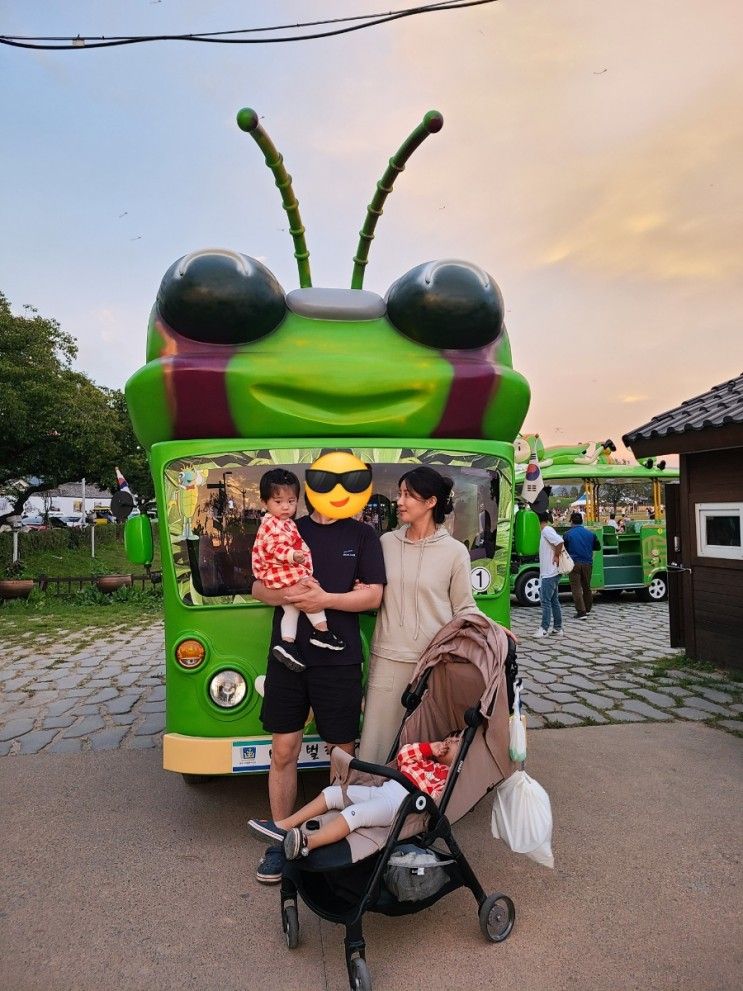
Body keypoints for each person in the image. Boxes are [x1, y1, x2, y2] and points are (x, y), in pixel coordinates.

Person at [249, 473, 386, 884]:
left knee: (340, 752)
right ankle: (281, 836)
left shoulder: (363, 535)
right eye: (325, 486)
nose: (334, 494)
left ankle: (328, 842)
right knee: (283, 749)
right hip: (287, 656)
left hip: (340, 659)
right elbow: (257, 586)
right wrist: (287, 595)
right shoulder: (287, 527)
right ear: (311, 492)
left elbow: (374, 596)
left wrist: (324, 599)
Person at [358, 466, 476, 765]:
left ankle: (412, 809)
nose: (399, 501)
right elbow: (373, 595)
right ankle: (369, 804)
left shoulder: (454, 552)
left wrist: (493, 629)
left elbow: (464, 607)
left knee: (422, 745)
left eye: (408, 495)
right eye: (399, 493)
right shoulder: (385, 543)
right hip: (387, 659)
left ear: (431, 502)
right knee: (376, 744)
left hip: (431, 665)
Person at [247, 735, 460, 858]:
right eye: (449, 737)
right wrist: (428, 748)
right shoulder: (425, 761)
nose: (450, 740)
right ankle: (283, 825)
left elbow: (438, 797)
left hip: (398, 805)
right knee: (333, 792)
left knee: (355, 813)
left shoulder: (446, 778)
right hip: (383, 789)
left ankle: (307, 843)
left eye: (456, 741)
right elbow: (403, 755)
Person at [251, 469, 345, 672]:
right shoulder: (272, 525)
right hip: (276, 569)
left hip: (281, 569)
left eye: (291, 501)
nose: (286, 507)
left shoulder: (286, 523)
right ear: (264, 502)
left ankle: (287, 644)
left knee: (291, 609)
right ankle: (321, 631)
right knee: (309, 589)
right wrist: (293, 556)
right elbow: (274, 548)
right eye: (278, 502)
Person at [563, 511, 600, 619]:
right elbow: (597, 547)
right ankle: (587, 609)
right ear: (582, 521)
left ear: (571, 522)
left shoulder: (567, 534)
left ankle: (581, 612)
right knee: (587, 587)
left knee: (576, 588)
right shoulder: (591, 534)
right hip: (588, 563)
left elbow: (564, 549)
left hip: (574, 564)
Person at [535, 511, 564, 637]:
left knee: (545, 601)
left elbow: (559, 541)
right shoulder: (546, 531)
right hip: (551, 572)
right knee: (554, 601)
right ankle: (558, 628)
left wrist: (556, 556)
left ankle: (544, 628)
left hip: (549, 572)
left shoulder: (546, 530)